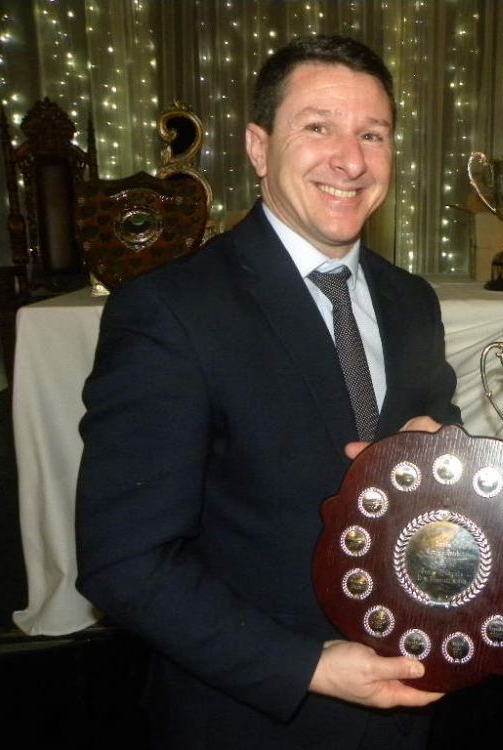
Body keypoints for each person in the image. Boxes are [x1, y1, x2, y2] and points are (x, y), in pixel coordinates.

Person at [75, 35, 460, 749]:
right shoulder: (171, 311)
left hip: (408, 706)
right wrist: (306, 667)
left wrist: (448, 466)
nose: (351, 160)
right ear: (259, 147)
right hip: (251, 715)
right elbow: (124, 563)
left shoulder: (412, 302)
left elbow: (439, 479)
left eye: (372, 134)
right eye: (319, 127)